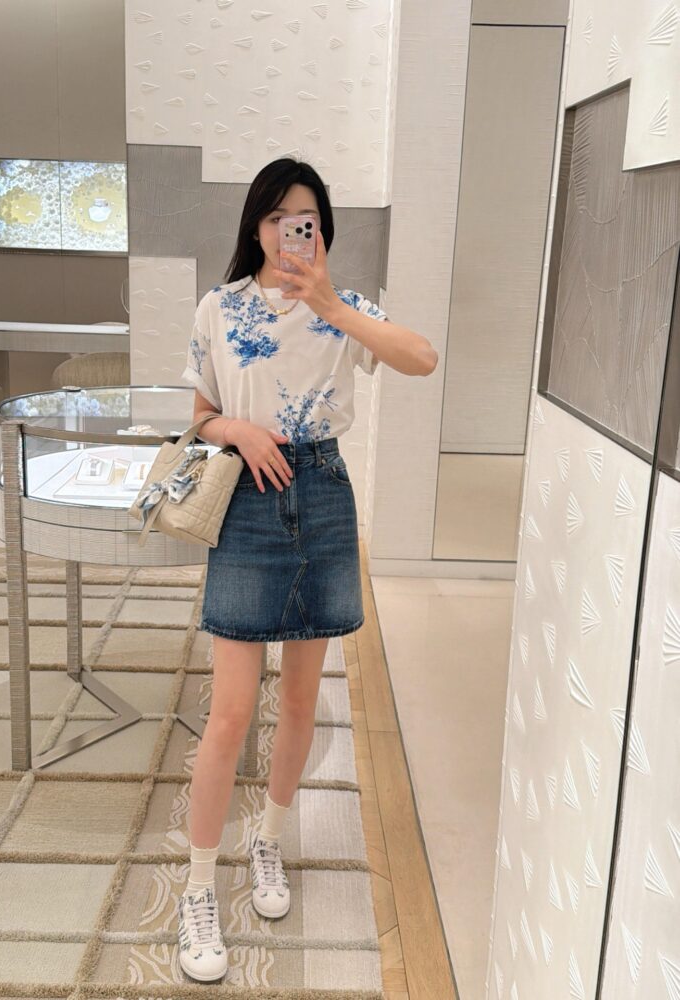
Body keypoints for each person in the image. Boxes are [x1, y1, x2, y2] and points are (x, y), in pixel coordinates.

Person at [176, 156, 437, 983]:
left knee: (298, 701)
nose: (295, 230)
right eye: (281, 217)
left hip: (322, 494)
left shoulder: (342, 308)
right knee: (228, 715)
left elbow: (422, 358)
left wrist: (330, 304)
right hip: (248, 500)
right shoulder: (220, 307)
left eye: (309, 219)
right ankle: (197, 889)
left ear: (321, 230)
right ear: (257, 227)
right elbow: (200, 417)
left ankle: (269, 840)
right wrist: (240, 431)